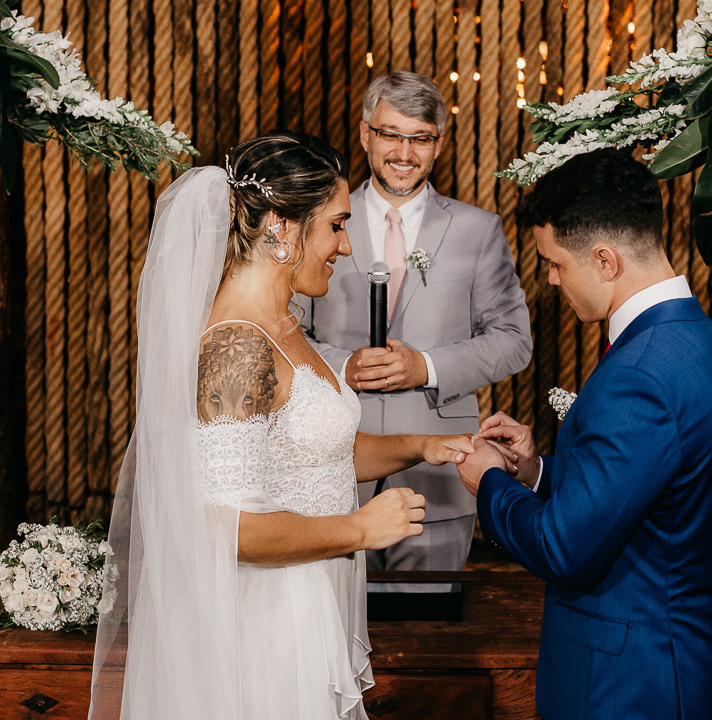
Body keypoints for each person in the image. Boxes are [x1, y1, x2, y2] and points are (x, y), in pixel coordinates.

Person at [88, 132, 483, 720]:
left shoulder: (285, 322)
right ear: (279, 225)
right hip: (265, 624)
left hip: (309, 601)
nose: (346, 247)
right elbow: (231, 528)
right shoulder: (237, 346)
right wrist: (358, 528)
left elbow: (318, 453)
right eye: (336, 225)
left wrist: (423, 445)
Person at [456, 149, 712, 719]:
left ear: (604, 260)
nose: (549, 278)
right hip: (686, 663)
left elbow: (564, 548)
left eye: (554, 262)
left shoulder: (637, 374)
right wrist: (538, 472)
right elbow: (655, 497)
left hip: (627, 684)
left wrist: (491, 483)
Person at [302, 71, 532, 574]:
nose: (404, 153)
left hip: (439, 484)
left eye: (420, 139)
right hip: (333, 475)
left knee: (434, 641)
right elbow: (286, 331)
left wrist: (424, 367)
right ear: (365, 134)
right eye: (390, 134)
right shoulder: (319, 220)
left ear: (439, 144)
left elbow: (514, 341)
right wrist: (345, 367)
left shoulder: (478, 230)